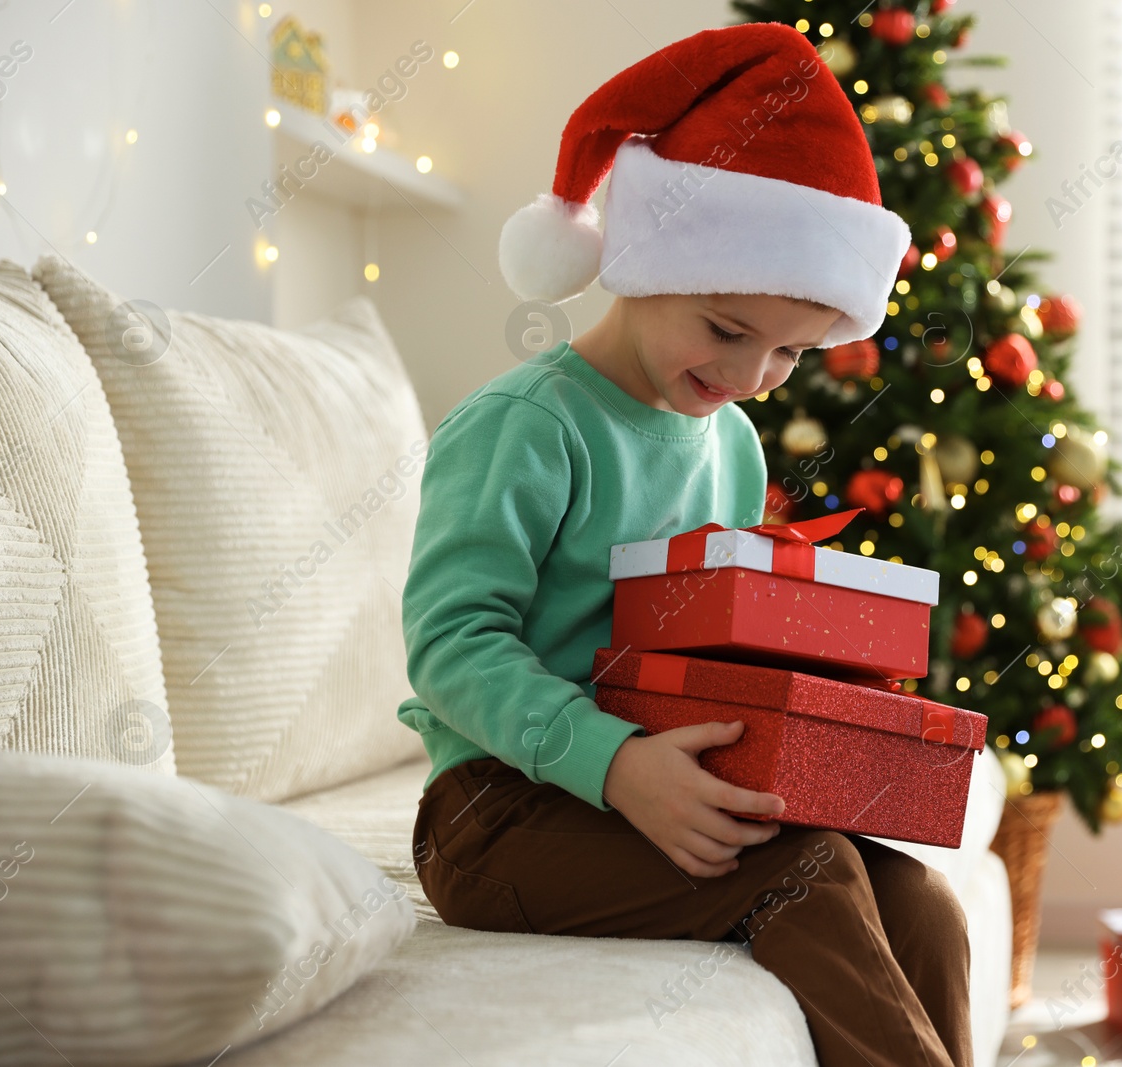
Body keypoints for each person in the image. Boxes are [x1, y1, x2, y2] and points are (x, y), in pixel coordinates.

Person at [398, 22, 973, 1067]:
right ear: (640, 262)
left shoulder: (733, 443)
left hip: (660, 776)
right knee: (811, 879)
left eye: (792, 350)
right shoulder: (528, 423)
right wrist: (614, 766)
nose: (754, 372)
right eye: (724, 327)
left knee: (922, 900)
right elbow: (449, 647)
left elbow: (724, 648)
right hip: (494, 816)